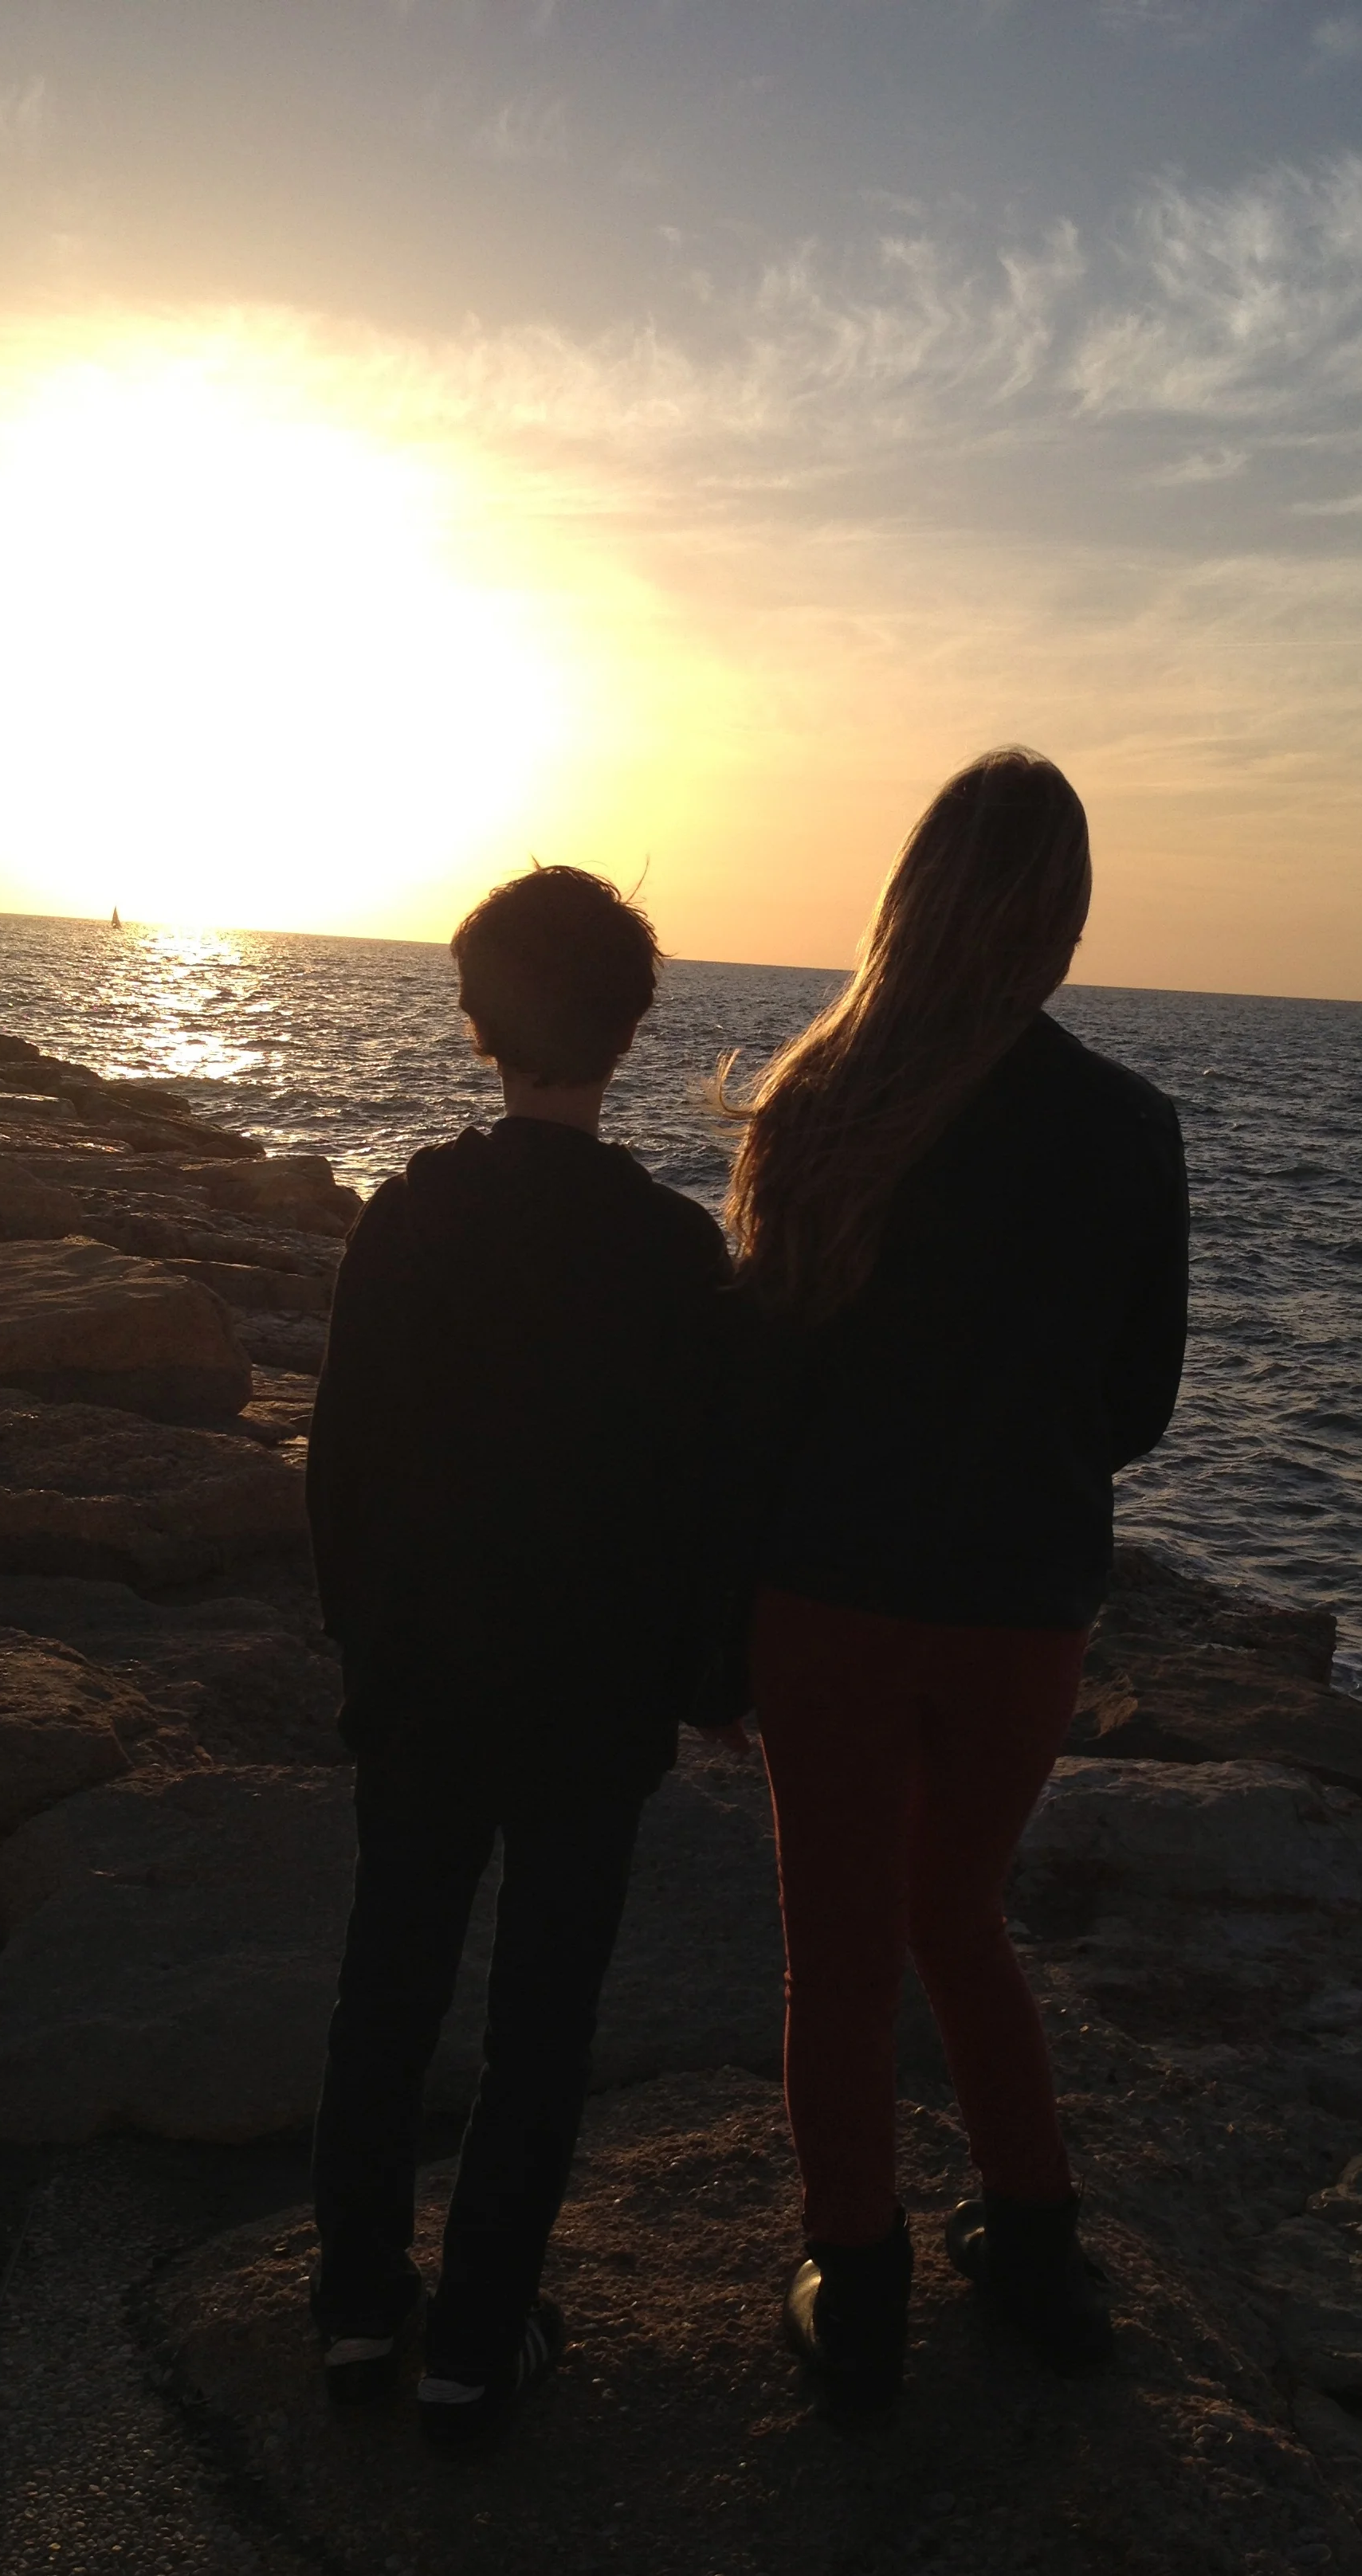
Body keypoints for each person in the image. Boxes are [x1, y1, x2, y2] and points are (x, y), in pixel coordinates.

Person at [727, 748, 1188, 2418]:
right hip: (1021, 1612)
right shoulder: (1131, 1132)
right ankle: (1040, 2249)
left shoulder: (815, 1104)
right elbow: (1138, 1407)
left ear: (910, 898)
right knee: (959, 1915)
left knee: (838, 1954)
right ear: (1061, 922)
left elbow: (755, 1389)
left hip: (831, 1595)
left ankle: (857, 2288)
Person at [306, 864, 743, 2449]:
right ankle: (475, 2350)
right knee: (541, 2025)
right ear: (631, 1031)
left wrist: (362, 1640)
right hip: (589, 1708)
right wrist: (704, 1682)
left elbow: (339, 1468)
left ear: (476, 1020)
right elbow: (712, 1501)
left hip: (422, 1678)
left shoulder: (409, 1221)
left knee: (387, 1992)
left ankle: (358, 2316)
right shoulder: (677, 1256)